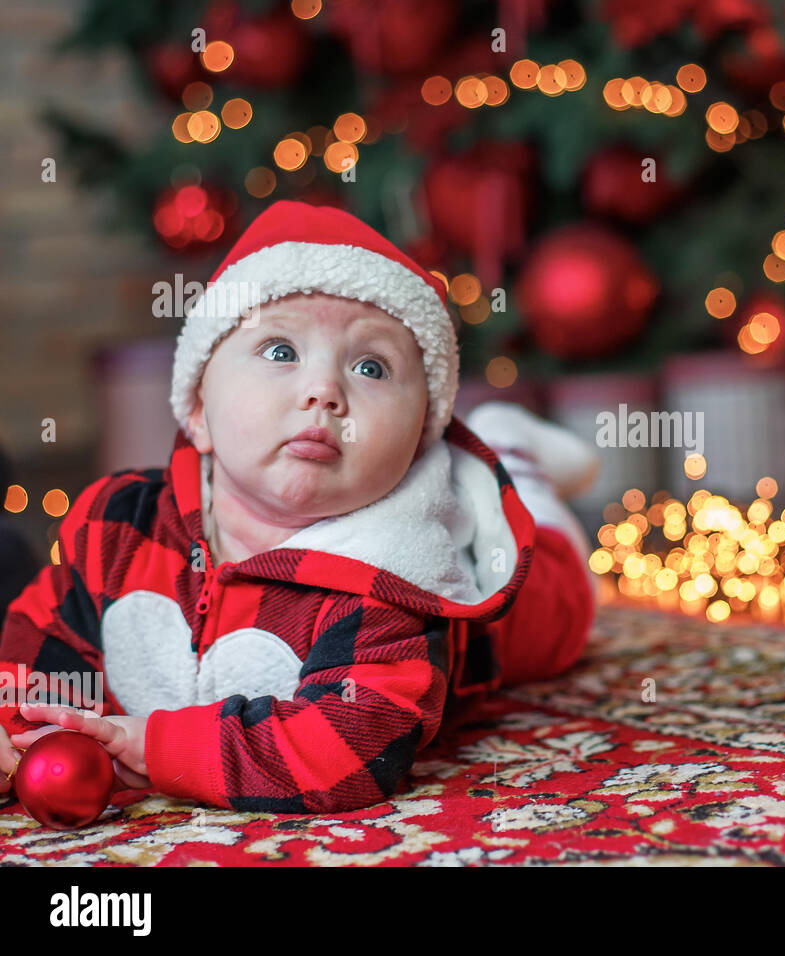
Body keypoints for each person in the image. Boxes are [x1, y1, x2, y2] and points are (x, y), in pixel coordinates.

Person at [0, 200, 599, 814]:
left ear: (421, 438)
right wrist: (21, 720)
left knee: (562, 614)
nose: (324, 391)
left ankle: (517, 464)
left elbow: (347, 751)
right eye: (281, 351)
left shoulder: (394, 580)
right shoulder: (122, 527)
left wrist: (155, 748)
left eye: (371, 366)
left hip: (507, 610)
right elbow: (45, 634)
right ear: (199, 412)